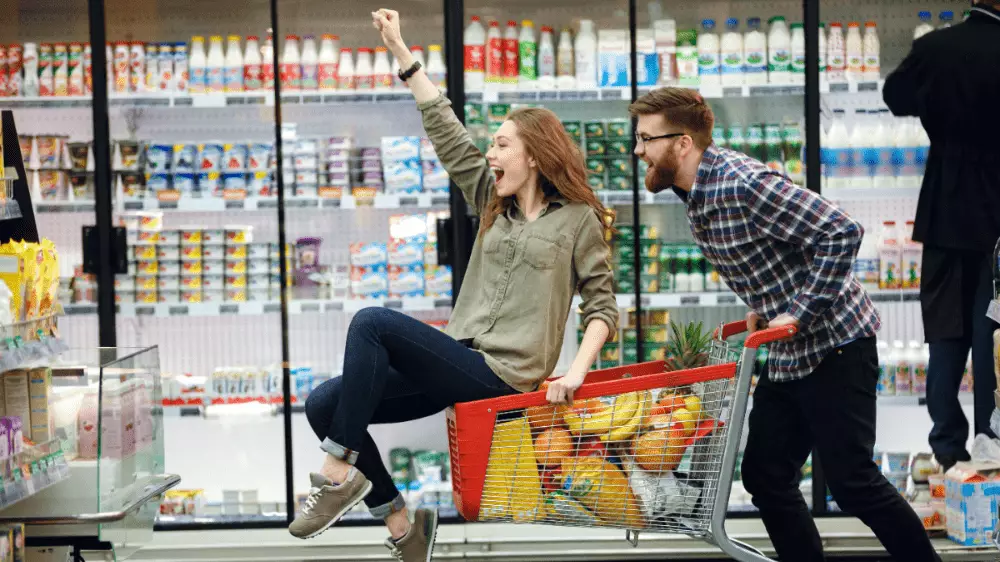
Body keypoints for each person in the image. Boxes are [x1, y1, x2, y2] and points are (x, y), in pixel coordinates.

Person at [289, 8, 619, 561]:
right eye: (491, 146)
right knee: (324, 403)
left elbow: (602, 305)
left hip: (506, 378)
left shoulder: (579, 220)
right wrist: (399, 50)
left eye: (502, 145)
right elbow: (446, 130)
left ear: (534, 156)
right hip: (461, 361)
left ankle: (334, 475)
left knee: (372, 322)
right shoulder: (493, 200)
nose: (490, 154)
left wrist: (577, 370)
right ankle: (401, 523)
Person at [630, 87, 941, 562]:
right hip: (789, 353)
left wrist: (799, 310)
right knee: (766, 475)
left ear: (683, 143)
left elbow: (841, 231)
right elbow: (775, 254)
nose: (638, 151)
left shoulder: (741, 183)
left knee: (852, 481)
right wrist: (766, 304)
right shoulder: (694, 193)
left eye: (646, 139)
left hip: (837, 344)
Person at [882, 0, 1000, 472]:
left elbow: (896, 97)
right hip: (997, 211)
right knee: (991, 330)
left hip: (945, 204)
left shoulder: (935, 47)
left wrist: (941, 105)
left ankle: (948, 445)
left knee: (945, 330)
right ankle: (991, 437)